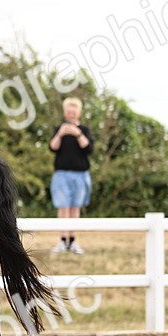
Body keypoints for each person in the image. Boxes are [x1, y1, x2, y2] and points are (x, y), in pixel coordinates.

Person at [48, 97, 94, 254]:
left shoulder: (85, 130)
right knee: (63, 206)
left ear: (79, 112)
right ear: (65, 112)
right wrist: (60, 134)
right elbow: (52, 147)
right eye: (69, 110)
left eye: (74, 110)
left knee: (75, 207)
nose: (71, 113)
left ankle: (73, 241)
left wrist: (78, 134)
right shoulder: (58, 129)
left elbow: (89, 149)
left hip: (81, 175)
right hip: (61, 174)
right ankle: (62, 241)